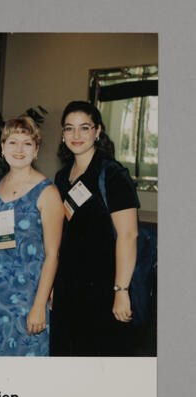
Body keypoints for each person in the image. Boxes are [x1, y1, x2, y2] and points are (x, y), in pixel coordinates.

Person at [0, 116, 63, 356]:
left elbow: (52, 255)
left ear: (36, 150)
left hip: (27, 296)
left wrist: (39, 305)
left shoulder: (47, 192)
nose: (19, 149)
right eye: (13, 142)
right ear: (3, 148)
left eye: (27, 143)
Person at [50, 101, 140, 356]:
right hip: (69, 286)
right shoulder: (62, 176)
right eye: (69, 128)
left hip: (103, 288)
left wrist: (121, 291)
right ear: (62, 134)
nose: (76, 135)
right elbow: (62, 235)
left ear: (97, 131)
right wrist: (54, 286)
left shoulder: (112, 174)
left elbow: (128, 234)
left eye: (84, 127)